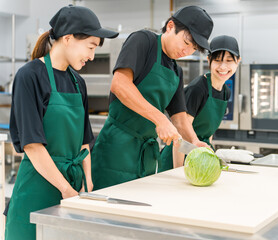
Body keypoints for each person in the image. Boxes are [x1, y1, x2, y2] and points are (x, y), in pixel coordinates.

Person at [5, 5, 118, 240]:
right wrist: (66, 190)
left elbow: (84, 142)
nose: (92, 56)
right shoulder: (30, 76)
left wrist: (87, 184)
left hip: (73, 190)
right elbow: (33, 147)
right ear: (68, 38)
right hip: (38, 187)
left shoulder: (78, 82)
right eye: (90, 47)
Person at [91, 6, 213, 190]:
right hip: (116, 149)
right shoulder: (143, 41)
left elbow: (179, 118)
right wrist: (159, 120)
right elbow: (120, 84)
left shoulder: (176, 71)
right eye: (187, 42)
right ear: (171, 26)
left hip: (147, 155)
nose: (187, 51)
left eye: (194, 48)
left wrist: (194, 142)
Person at [159, 35, 241, 171]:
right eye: (217, 60)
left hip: (200, 156)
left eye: (229, 60)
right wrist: (177, 170)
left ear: (238, 61)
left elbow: (209, 133)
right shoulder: (198, 89)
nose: (223, 67)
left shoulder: (226, 91)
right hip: (179, 158)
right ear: (209, 60)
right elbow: (180, 135)